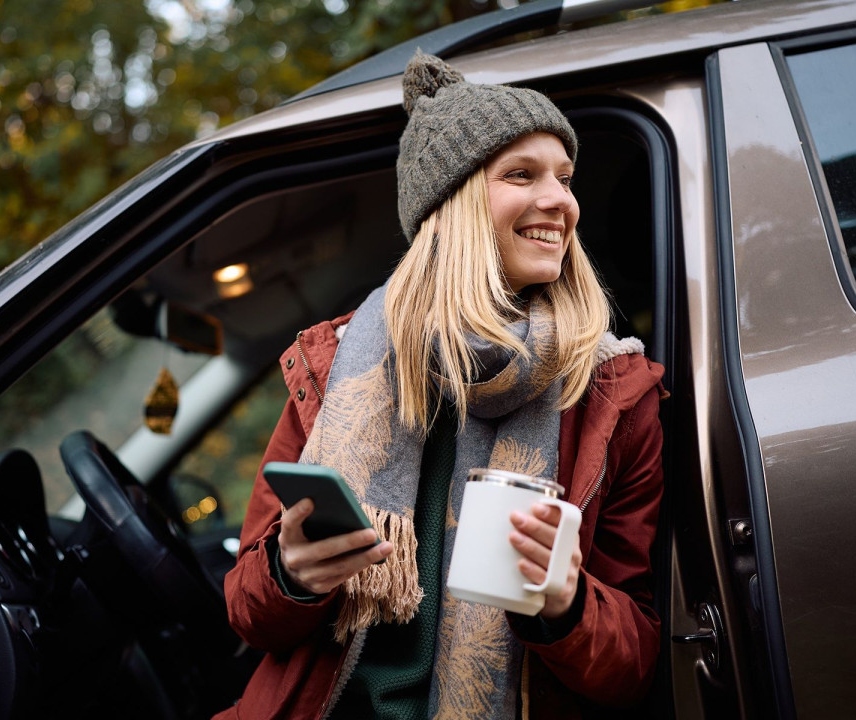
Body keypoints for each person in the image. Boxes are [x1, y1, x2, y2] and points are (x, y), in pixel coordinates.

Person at [214, 52, 665, 720]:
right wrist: (290, 575)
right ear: (450, 205)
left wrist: (566, 604)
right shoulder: (333, 366)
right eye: (521, 174)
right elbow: (247, 611)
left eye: (565, 179)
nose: (561, 202)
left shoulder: (612, 392)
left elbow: (635, 663)